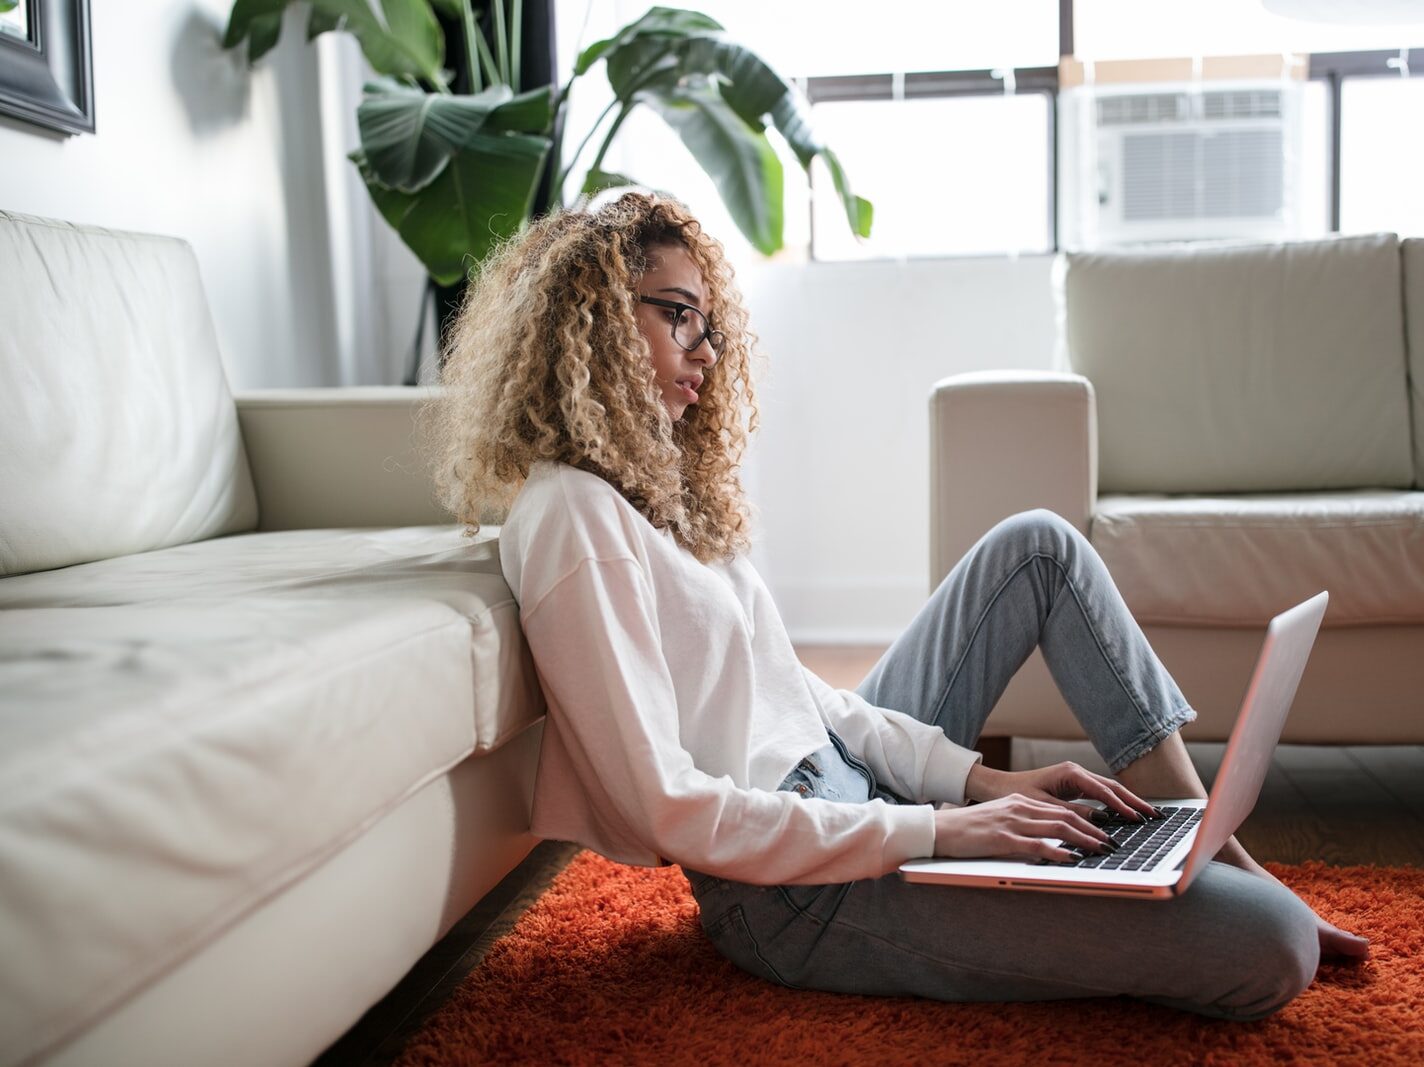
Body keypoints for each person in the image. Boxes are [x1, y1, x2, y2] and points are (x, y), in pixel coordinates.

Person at [422, 191, 1368, 1021]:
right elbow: (668, 807)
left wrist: (975, 784)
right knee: (1273, 945)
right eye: (678, 316)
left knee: (1036, 543)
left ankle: (1201, 837)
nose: (705, 350)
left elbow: (802, 697)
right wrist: (937, 829)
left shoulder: (659, 493)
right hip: (792, 893)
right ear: (588, 321)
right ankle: (1210, 880)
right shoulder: (570, 516)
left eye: (709, 322)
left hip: (848, 790)